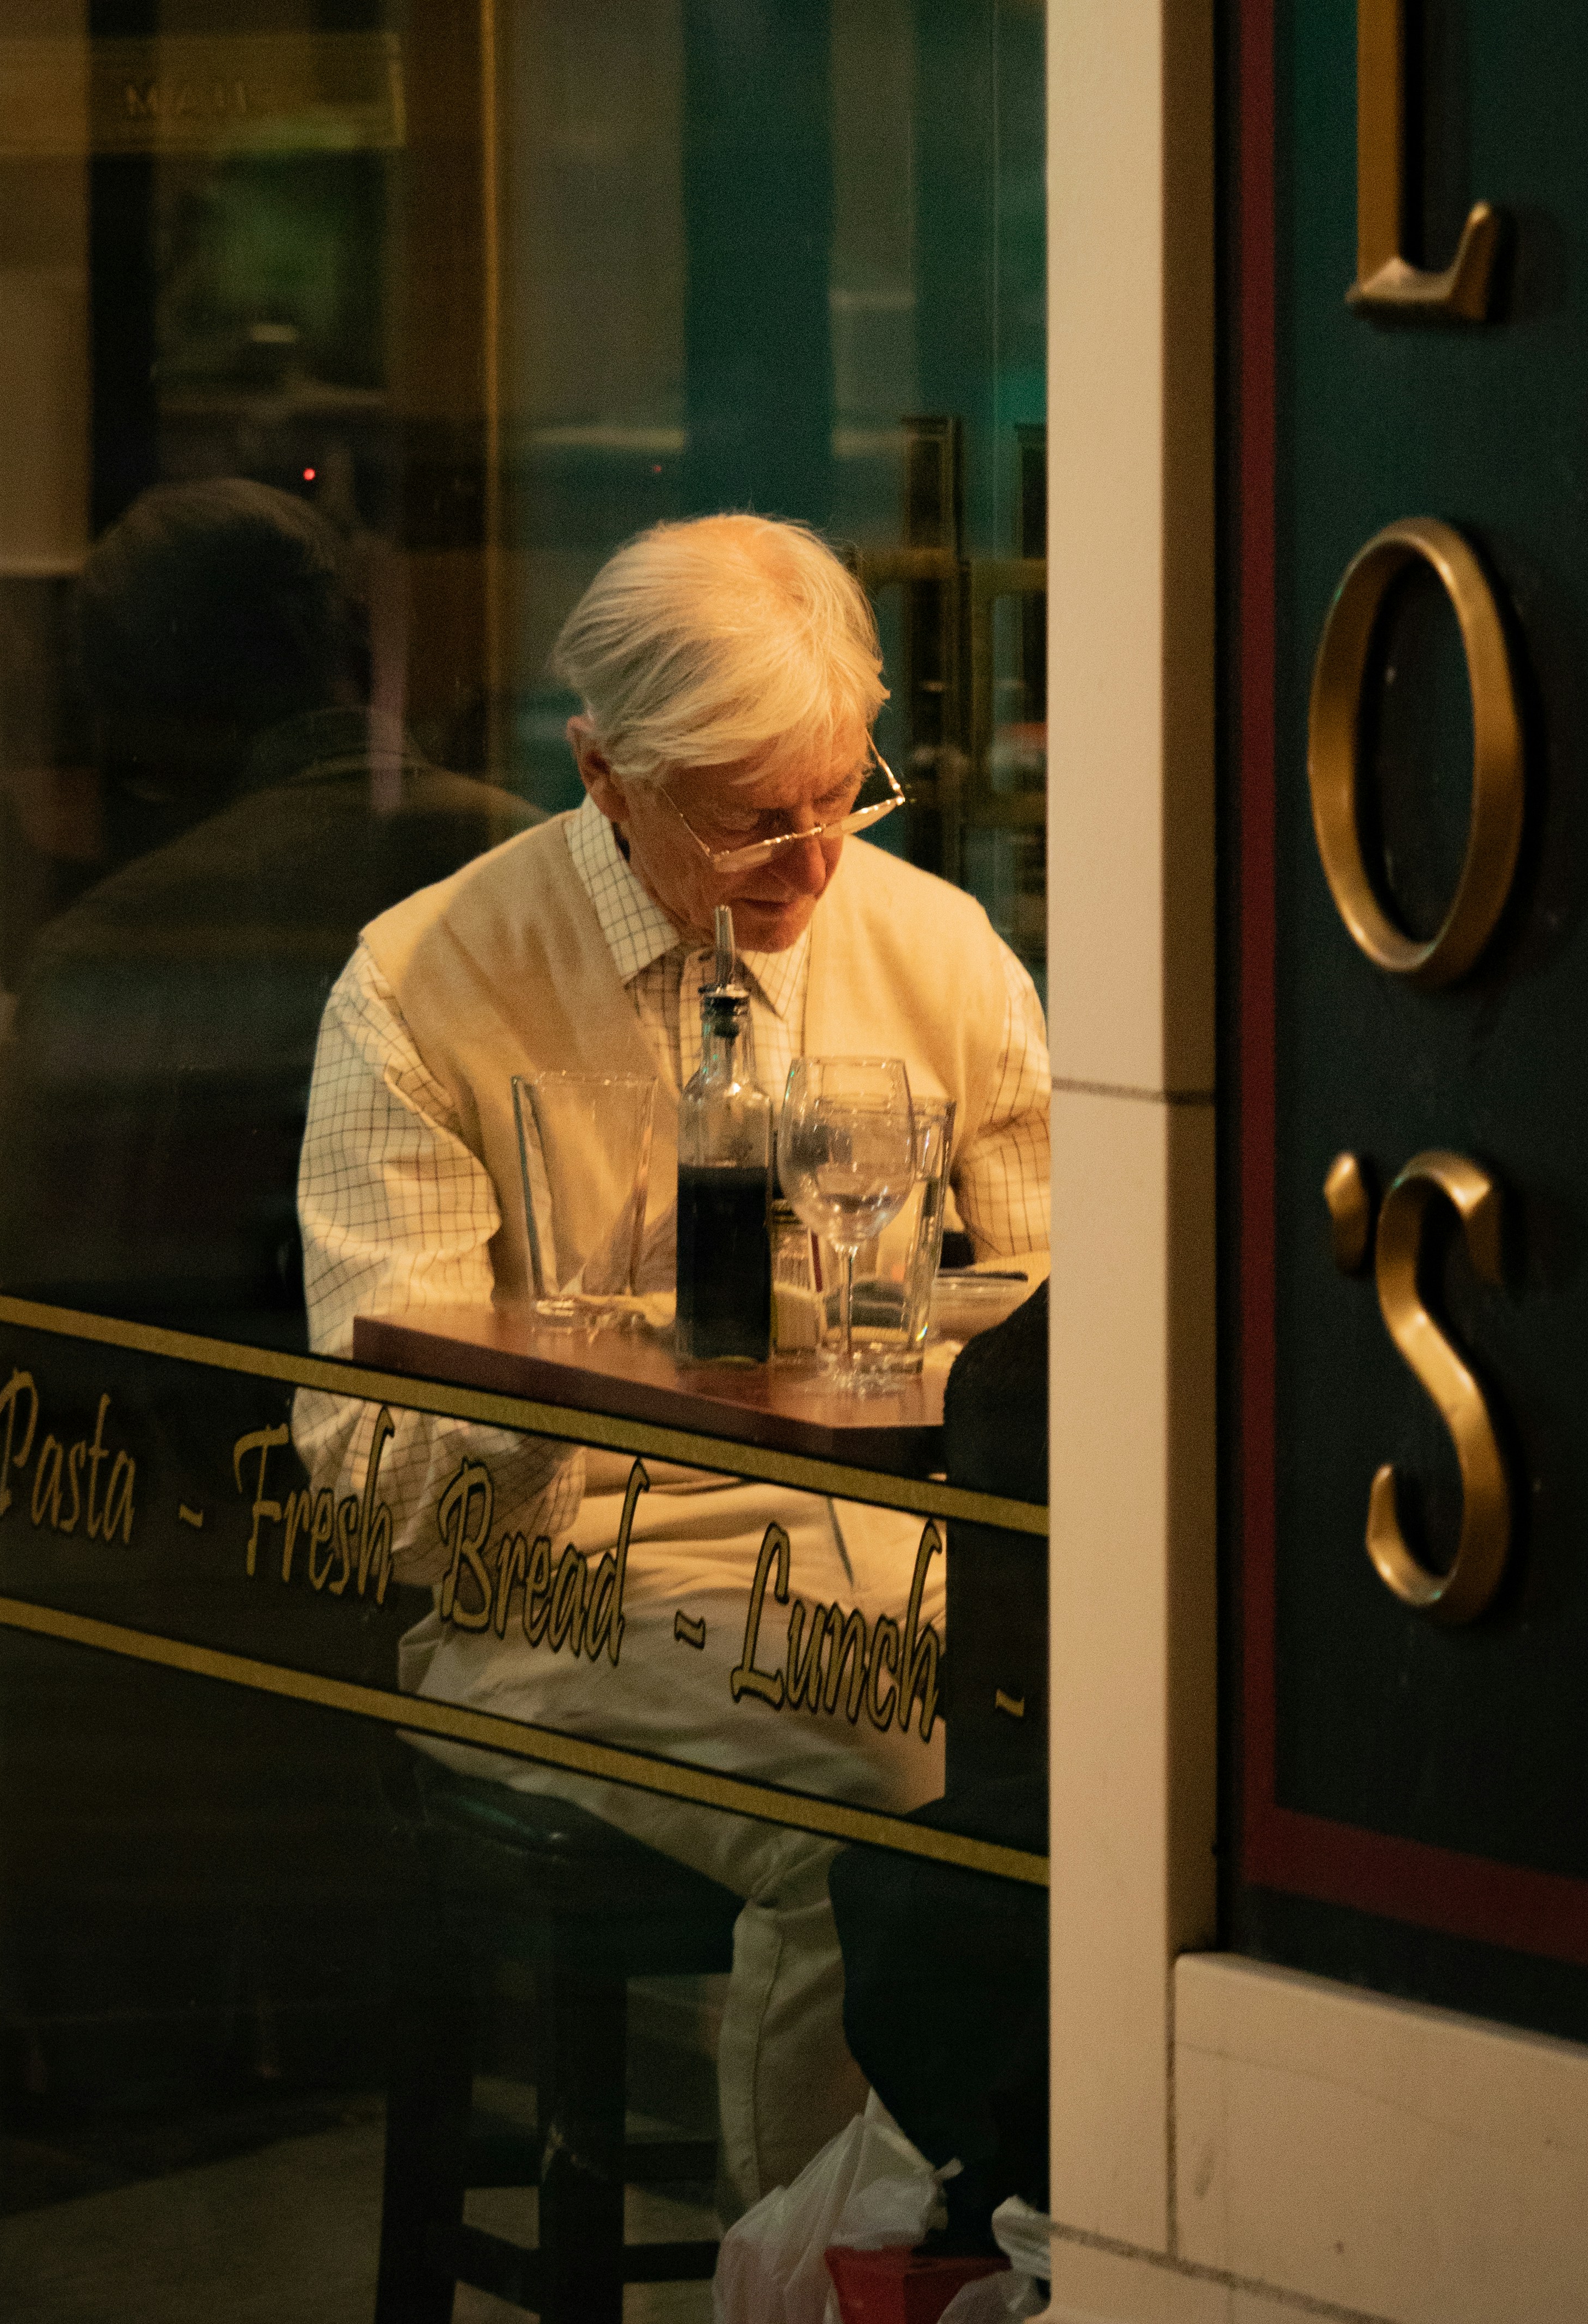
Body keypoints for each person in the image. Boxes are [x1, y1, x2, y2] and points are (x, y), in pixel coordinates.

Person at [295, 513, 1050, 2208]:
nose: (809, 868)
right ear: (603, 774)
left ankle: (1013, 2256)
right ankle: (828, 2278)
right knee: (886, 1800)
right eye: (747, 820)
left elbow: (1058, 1328)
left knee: (1092, 1770)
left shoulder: (942, 957)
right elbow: (363, 1486)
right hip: (553, 1596)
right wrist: (549, 1366)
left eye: (841, 798)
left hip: (904, 1568)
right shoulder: (425, 988)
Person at [0, 478, 535, 1320]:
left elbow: (53, 1335)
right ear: (355, 646)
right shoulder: (537, 867)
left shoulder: (111, 951)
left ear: (139, 717)